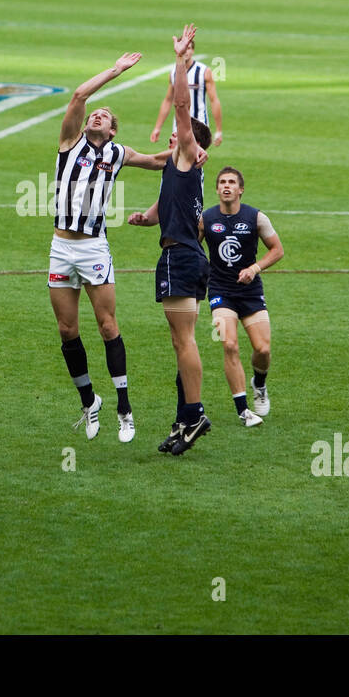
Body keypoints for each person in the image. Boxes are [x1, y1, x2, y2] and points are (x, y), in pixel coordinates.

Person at [50, 51, 184, 444]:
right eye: (97, 113)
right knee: (66, 329)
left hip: (93, 249)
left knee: (108, 326)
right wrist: (115, 71)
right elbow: (78, 96)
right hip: (61, 247)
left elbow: (159, 161)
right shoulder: (69, 142)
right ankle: (90, 400)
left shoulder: (117, 154)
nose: (97, 115)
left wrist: (187, 149)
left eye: (105, 116)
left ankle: (125, 408)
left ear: (112, 131)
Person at [135, 23, 216, 456]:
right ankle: (183, 418)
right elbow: (168, 204)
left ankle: (195, 414)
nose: (172, 137)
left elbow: (183, 106)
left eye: (179, 136)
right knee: (178, 340)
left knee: (184, 341)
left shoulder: (187, 152)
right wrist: (146, 220)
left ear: (191, 143)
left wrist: (181, 60)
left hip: (180, 260)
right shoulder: (180, 168)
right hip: (184, 257)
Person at [201, 167, 283, 426]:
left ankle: (259, 383)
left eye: (231, 182)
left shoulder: (256, 217)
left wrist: (254, 268)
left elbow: (277, 250)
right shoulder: (206, 219)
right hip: (220, 291)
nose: (226, 186)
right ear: (217, 189)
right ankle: (243, 410)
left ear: (240, 189)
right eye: (222, 182)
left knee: (263, 348)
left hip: (250, 292)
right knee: (229, 344)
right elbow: (192, 247)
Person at [149, 35, 223, 147]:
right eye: (183, 48)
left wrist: (219, 130)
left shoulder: (204, 71)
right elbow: (168, 100)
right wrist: (157, 128)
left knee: (195, 158)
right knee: (177, 159)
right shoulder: (174, 72)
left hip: (199, 124)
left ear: (193, 50)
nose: (185, 52)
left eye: (188, 48)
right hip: (178, 125)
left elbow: (214, 100)